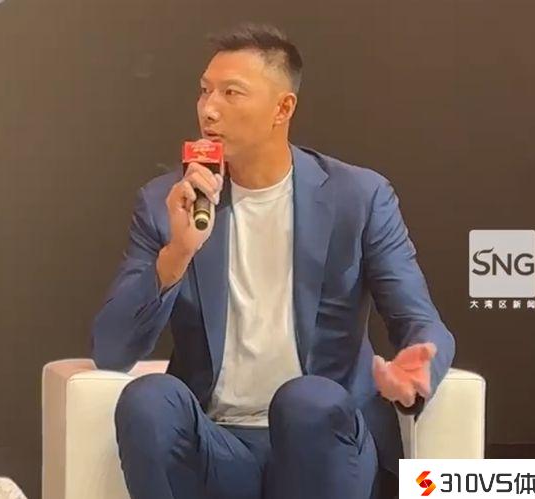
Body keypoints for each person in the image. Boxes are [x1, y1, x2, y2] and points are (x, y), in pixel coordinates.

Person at [92, 22, 455, 499]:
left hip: (319, 447)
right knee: (148, 400)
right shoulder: (168, 203)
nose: (209, 108)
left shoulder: (358, 197)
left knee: (306, 401)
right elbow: (112, 350)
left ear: (282, 108)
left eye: (231, 93)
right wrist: (177, 253)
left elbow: (420, 321)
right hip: (220, 447)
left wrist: (419, 367)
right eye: (204, 91)